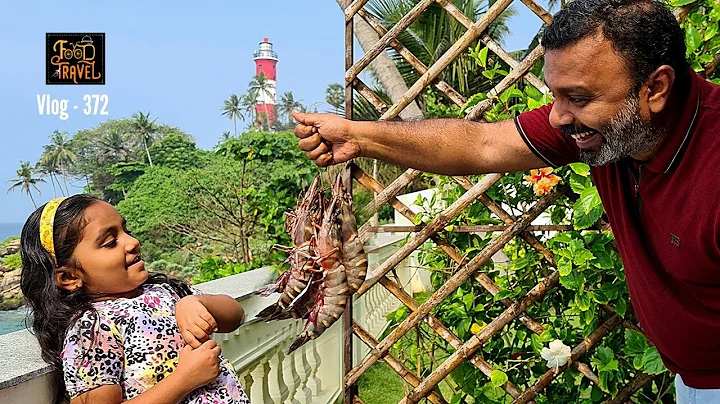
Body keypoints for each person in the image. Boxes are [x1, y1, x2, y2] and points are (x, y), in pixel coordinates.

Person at [293, 0, 720, 401]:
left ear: (656, 87)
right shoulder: (614, 125)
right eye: (556, 95)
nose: (557, 117)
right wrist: (357, 136)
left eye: (578, 98)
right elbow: (481, 144)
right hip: (691, 377)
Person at [19, 194, 250, 404]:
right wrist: (184, 379)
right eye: (110, 242)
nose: (132, 242)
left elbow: (236, 316)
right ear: (69, 277)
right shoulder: (93, 328)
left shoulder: (164, 292)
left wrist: (196, 302)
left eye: (125, 231)